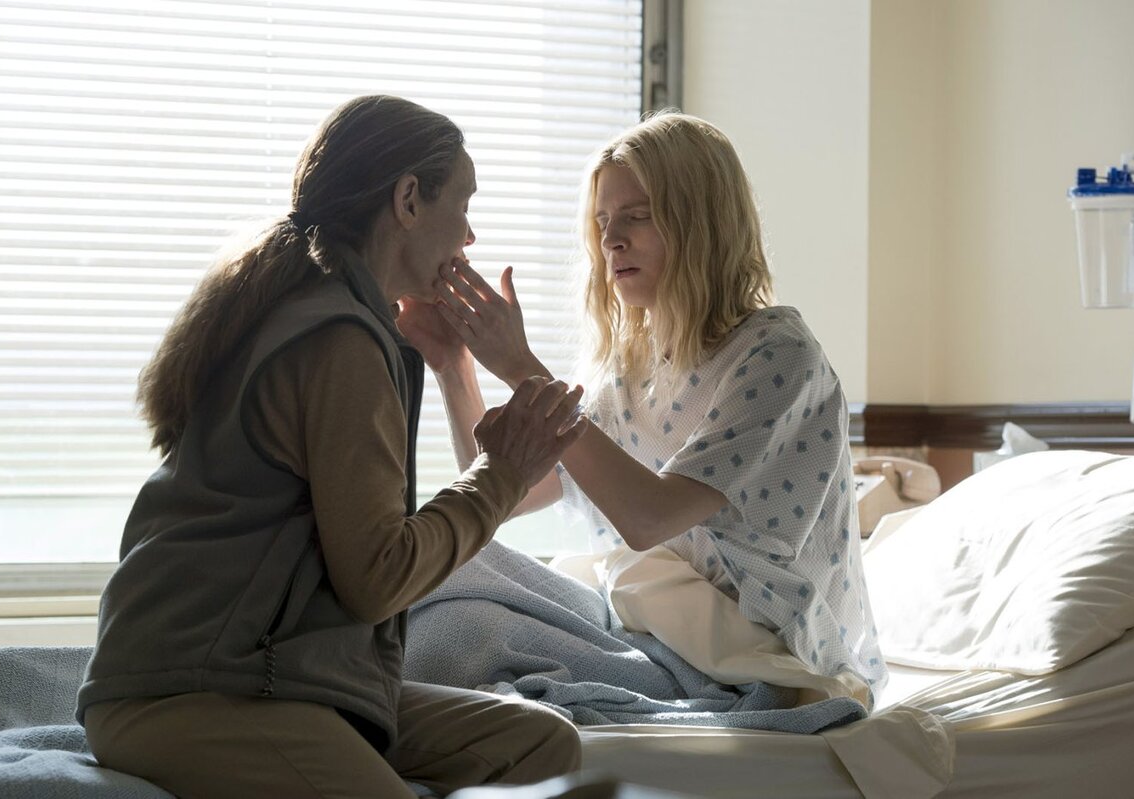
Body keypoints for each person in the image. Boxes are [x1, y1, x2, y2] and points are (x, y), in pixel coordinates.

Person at [76, 95, 589, 799]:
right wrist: (500, 475)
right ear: (407, 199)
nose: (470, 234)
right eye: (463, 203)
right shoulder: (339, 337)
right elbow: (376, 577)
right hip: (192, 689)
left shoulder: (329, 312)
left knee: (540, 743)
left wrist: (449, 368)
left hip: (278, 678)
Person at [399, 111, 887, 707]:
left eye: (636, 216)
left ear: (700, 222)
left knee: (459, 633)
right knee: (442, 567)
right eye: (603, 222)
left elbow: (649, 519)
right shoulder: (628, 371)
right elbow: (505, 494)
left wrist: (521, 366)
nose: (611, 240)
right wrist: (454, 366)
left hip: (746, 660)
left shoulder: (777, 355)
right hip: (645, 629)